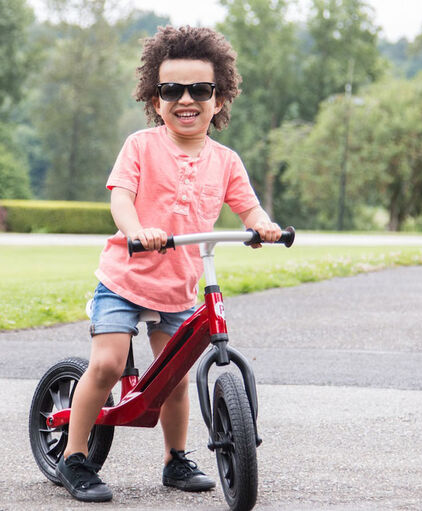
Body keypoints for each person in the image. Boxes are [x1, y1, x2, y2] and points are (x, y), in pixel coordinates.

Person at [55, 25, 282, 503]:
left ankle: (175, 459)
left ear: (218, 99)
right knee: (109, 364)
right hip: (126, 276)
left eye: (200, 89)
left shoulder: (226, 161)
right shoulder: (141, 146)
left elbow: (249, 207)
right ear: (154, 99)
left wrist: (264, 226)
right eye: (172, 90)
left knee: (175, 377)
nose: (186, 99)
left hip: (179, 284)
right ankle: (75, 457)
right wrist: (137, 230)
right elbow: (122, 198)